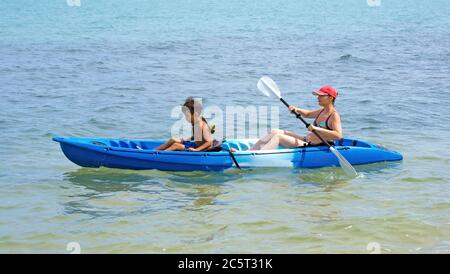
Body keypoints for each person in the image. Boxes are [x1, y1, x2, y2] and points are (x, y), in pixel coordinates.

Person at [249, 86, 343, 150]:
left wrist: (315, 128)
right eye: (318, 95)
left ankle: (256, 156)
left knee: (278, 137)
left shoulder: (334, 115)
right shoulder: (321, 110)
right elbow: (308, 114)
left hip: (315, 146)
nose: (318, 97)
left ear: (330, 98)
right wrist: (296, 109)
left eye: (321, 95)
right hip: (306, 140)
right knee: (274, 131)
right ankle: (249, 152)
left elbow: (338, 136)